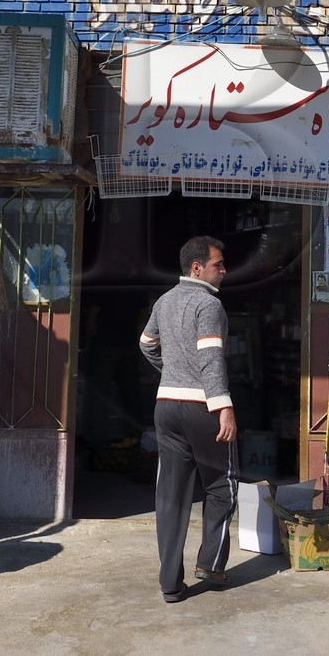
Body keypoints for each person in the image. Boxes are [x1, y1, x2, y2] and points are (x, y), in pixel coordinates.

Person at [139, 235, 237, 602]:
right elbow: (211, 360)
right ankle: (210, 562)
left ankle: (170, 585)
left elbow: (146, 343)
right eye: (218, 264)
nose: (224, 270)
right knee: (222, 485)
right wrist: (223, 405)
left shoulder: (164, 301)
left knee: (170, 496)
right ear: (197, 268)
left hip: (166, 404)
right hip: (201, 407)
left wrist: (170, 372)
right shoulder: (207, 304)